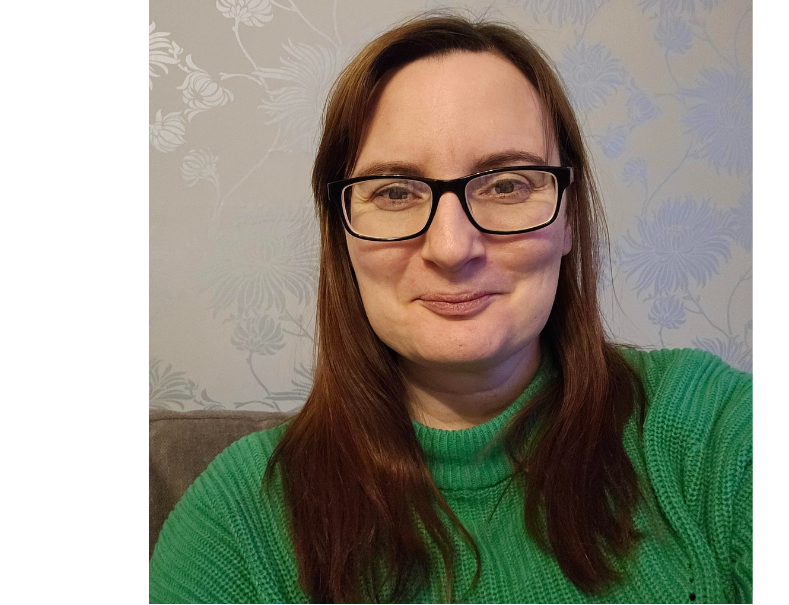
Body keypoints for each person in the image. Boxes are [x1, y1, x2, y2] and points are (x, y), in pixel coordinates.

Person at [150, 14, 752, 604]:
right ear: (342, 235)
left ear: (569, 216)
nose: (451, 248)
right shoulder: (237, 522)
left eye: (508, 184)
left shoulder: (712, 431)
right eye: (393, 192)